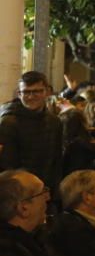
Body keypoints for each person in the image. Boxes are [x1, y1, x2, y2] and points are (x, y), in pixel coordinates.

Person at [0, 72, 64, 200]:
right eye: (26, 92)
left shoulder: (54, 121)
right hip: (19, 192)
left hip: (47, 189)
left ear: (46, 92)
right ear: (19, 94)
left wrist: (54, 189)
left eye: (37, 91)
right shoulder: (8, 122)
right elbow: (7, 165)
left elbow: (56, 160)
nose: (31, 96)